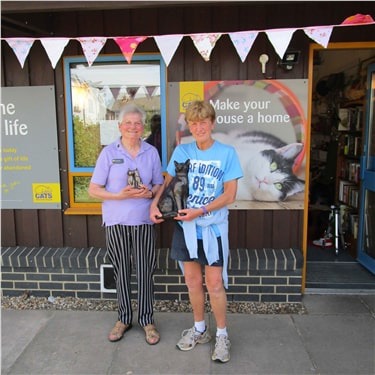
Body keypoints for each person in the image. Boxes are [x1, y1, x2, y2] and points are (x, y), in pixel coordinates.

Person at [150, 100, 243, 363]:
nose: (199, 127)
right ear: (189, 126)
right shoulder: (182, 151)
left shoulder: (227, 153)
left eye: (204, 122)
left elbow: (230, 194)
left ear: (212, 123)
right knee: (192, 282)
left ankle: (222, 335)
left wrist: (200, 211)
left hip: (212, 228)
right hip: (185, 227)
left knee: (214, 284)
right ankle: (200, 328)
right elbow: (167, 183)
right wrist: (153, 206)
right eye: (194, 123)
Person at [88, 104, 164, 345]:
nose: (133, 127)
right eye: (128, 123)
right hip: (117, 220)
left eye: (138, 123)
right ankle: (123, 318)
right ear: (120, 126)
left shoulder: (150, 152)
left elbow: (159, 184)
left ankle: (146, 320)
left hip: (143, 220)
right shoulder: (109, 153)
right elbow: (93, 189)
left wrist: (150, 192)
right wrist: (119, 196)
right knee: (121, 271)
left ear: (143, 127)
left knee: (144, 270)